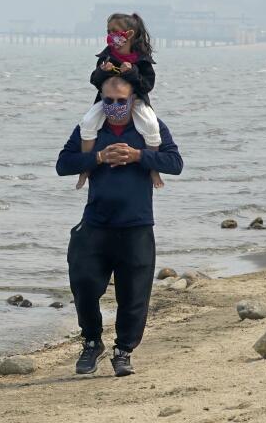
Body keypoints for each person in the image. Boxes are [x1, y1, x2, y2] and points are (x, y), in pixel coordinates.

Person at [56, 75, 183, 377]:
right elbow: (63, 164)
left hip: (136, 226)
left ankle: (123, 351)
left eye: (120, 101)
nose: (113, 106)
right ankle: (91, 342)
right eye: (107, 100)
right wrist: (98, 157)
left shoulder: (148, 127)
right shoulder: (91, 128)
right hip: (95, 225)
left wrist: (138, 155)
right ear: (100, 98)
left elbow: (175, 163)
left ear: (133, 99)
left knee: (134, 296)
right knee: (84, 284)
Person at [76, 13, 163, 191]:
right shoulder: (106, 56)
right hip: (107, 101)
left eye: (115, 31)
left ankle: (154, 169)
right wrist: (103, 71)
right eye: (108, 31)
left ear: (128, 34)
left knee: (151, 124)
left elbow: (147, 85)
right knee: (88, 122)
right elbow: (95, 81)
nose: (110, 35)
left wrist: (131, 73)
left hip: (136, 101)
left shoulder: (142, 59)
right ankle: (85, 168)